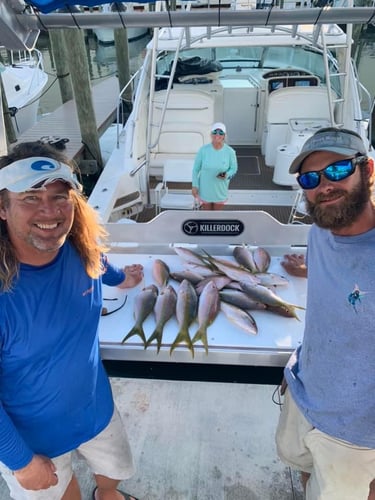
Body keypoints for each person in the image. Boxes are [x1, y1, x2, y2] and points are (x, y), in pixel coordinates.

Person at [0, 142, 144, 500]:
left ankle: (107, 494)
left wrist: (122, 279)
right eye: (30, 198)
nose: (49, 210)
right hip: (30, 439)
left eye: (60, 196)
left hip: (95, 409)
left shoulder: (79, 246)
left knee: (116, 472)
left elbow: (97, 261)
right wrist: (19, 461)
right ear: (2, 208)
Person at [275, 127, 375, 500]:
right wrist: (301, 365)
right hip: (304, 393)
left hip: (355, 437)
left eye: (337, 171)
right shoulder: (320, 231)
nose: (324, 186)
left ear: (367, 170)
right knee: (301, 468)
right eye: (311, 178)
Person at [192, 122, 238, 210]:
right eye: (215, 132)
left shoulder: (230, 152)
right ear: (211, 134)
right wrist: (195, 185)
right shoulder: (203, 150)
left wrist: (226, 175)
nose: (217, 135)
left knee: (216, 216)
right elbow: (195, 170)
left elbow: (234, 169)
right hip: (205, 190)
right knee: (206, 216)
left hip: (220, 191)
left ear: (224, 135)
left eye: (221, 133)